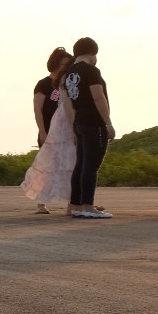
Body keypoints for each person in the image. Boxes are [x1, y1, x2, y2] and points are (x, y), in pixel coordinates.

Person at [59, 37, 114, 219]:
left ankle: (75, 205)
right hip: (94, 122)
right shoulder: (91, 71)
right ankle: (88, 206)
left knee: (81, 164)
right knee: (91, 165)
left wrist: (73, 125)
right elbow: (98, 97)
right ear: (93, 53)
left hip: (79, 122)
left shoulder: (69, 74)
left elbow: (68, 105)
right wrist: (108, 123)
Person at [21, 47, 74, 213]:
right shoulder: (44, 84)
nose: (64, 67)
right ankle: (41, 203)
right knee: (46, 166)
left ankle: (72, 201)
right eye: (62, 64)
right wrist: (42, 131)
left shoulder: (69, 82)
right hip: (49, 131)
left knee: (69, 164)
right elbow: (38, 109)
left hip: (66, 131)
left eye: (67, 64)